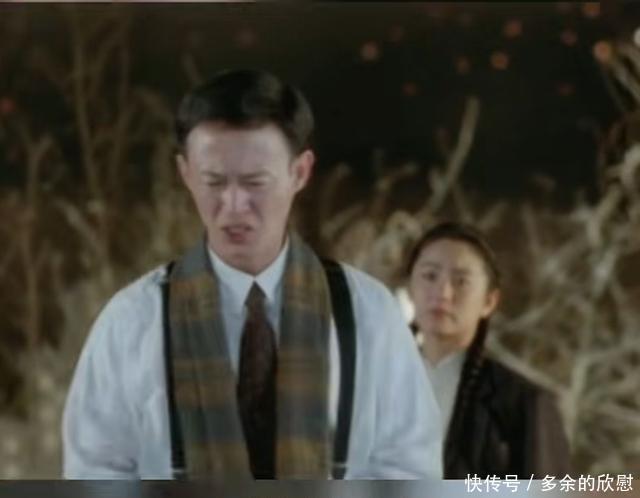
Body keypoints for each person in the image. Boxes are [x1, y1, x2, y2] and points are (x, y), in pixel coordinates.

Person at [63, 69, 442, 480]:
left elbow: (410, 468)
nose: (233, 205)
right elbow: (96, 470)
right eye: (213, 181)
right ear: (186, 173)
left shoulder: (367, 313)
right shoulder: (134, 320)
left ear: (300, 172)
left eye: (254, 182)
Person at [406, 221, 571, 479]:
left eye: (461, 281)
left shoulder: (522, 402)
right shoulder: (375, 383)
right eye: (430, 276)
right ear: (410, 288)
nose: (443, 293)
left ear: (489, 301)